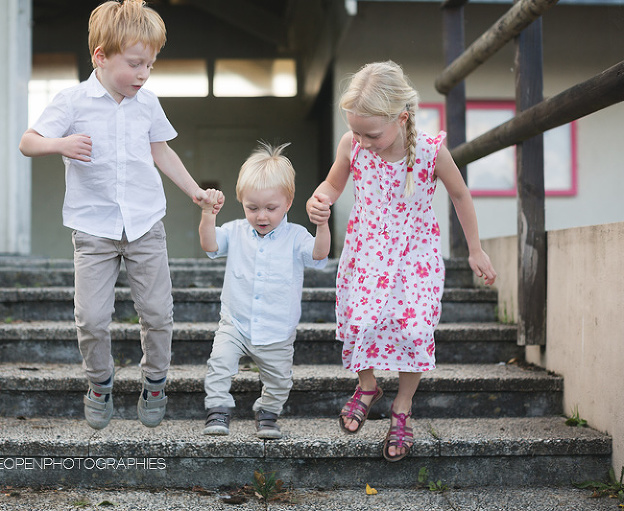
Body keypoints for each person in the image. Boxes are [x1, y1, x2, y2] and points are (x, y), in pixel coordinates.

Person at [18, 0, 221, 431]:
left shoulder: (147, 103)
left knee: (158, 314)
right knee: (91, 319)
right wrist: (60, 144)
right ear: (101, 57)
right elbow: (28, 141)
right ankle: (99, 382)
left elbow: (161, 151)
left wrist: (195, 191)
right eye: (135, 64)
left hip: (145, 224)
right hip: (93, 228)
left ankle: (155, 381)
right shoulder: (72, 101)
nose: (144, 74)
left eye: (150, 65)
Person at [306, 61, 497, 461]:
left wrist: (475, 249)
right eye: (357, 131)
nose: (362, 141)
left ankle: (403, 406)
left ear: (402, 118)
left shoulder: (430, 151)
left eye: (371, 134)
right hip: (367, 250)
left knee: (414, 329)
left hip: (415, 254)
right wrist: (320, 199)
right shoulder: (352, 145)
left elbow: (460, 195)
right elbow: (333, 184)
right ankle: (368, 386)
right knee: (361, 322)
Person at [198, 142, 331, 439]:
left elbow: (319, 254)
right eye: (252, 208)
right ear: (241, 201)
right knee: (219, 364)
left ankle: (268, 413)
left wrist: (322, 226)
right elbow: (210, 244)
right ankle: (218, 410)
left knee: (280, 379)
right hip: (235, 323)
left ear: (288, 202)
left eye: (271, 208)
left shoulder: (296, 236)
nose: (261, 216)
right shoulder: (235, 231)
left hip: (277, 327)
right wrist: (208, 214)